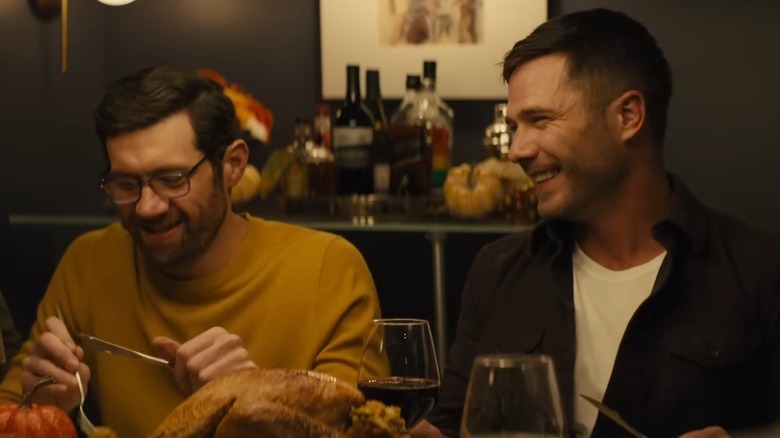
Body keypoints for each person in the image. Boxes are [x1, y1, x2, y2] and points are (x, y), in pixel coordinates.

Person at [412, 8, 780, 438]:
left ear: (628, 117)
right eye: (515, 126)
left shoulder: (762, 271)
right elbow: (451, 424)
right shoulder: (496, 271)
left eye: (540, 120)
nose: (516, 150)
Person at [0, 65, 385, 436]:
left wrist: (256, 397)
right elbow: (11, 408)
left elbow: (369, 430)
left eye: (172, 179)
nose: (147, 207)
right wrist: (44, 409)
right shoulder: (88, 262)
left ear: (232, 165)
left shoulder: (328, 270)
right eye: (126, 183)